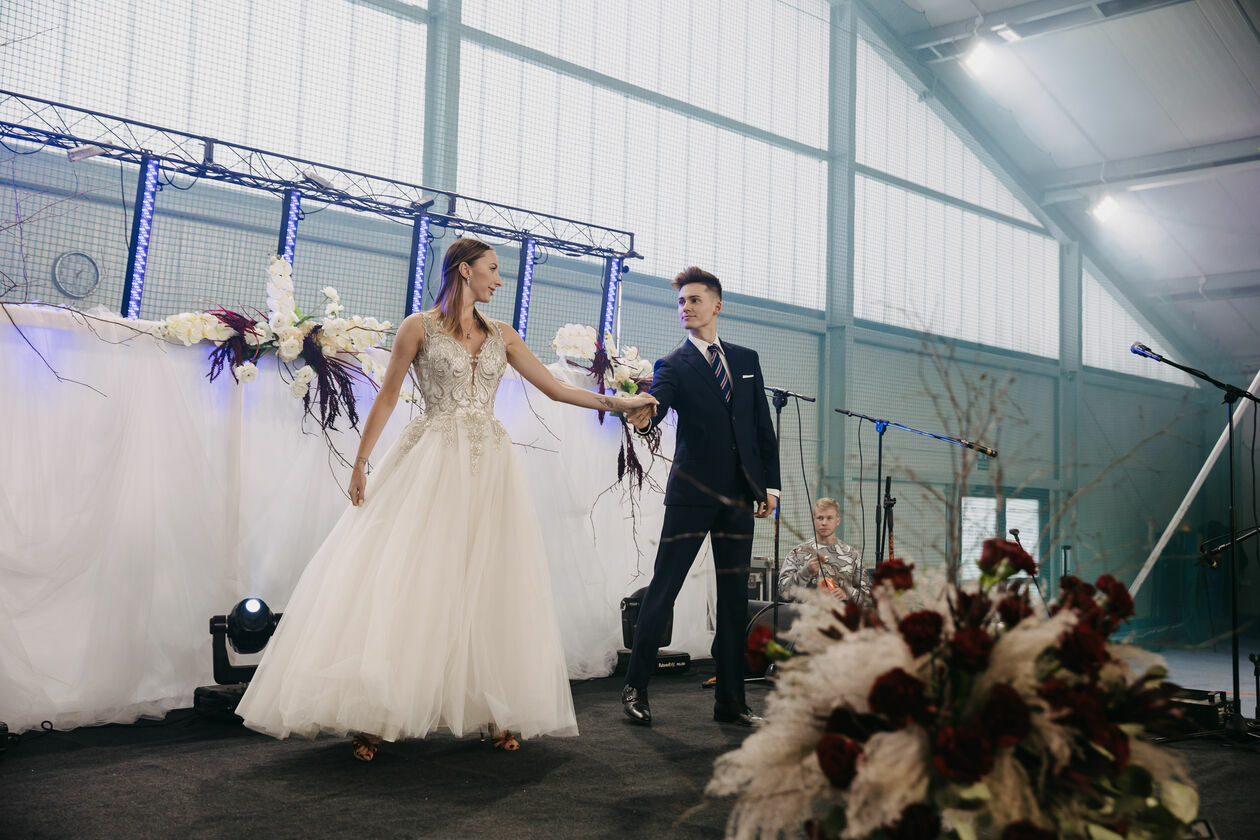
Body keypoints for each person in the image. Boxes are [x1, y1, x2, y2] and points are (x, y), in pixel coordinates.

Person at [235, 237, 657, 760]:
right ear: (464, 270)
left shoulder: (503, 334)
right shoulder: (418, 327)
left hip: (490, 468)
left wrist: (622, 404)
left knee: (489, 582)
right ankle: (373, 714)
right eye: (492, 269)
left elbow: (556, 389)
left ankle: (492, 709)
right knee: (412, 577)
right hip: (432, 461)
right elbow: (389, 395)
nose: (499, 280)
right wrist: (361, 462)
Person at [620, 266, 780, 728]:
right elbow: (657, 406)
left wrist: (769, 486)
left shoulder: (747, 360)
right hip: (691, 494)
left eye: (694, 300)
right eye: (680, 302)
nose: (685, 308)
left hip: (740, 497)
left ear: (716, 305)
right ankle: (635, 688)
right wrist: (643, 417)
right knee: (664, 589)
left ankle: (731, 701)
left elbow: (761, 427)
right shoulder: (673, 364)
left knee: (733, 600)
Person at [779, 497, 870, 604]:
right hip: (805, 613)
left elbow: (869, 598)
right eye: (820, 518)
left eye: (829, 518)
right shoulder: (798, 553)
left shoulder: (852, 555)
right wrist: (805, 572)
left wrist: (847, 594)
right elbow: (783, 592)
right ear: (813, 520)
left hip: (839, 613)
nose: (824, 523)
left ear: (837, 521)